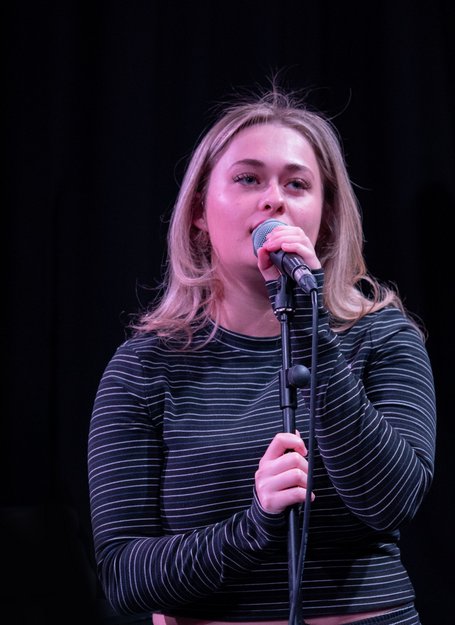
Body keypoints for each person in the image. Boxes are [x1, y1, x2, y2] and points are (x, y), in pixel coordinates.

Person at [87, 85, 436, 625]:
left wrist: (313, 326)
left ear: (326, 216)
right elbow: (123, 579)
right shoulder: (145, 366)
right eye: (248, 179)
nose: (274, 199)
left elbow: (393, 501)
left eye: (297, 184)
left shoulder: (382, 337)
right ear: (199, 210)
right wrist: (254, 525)